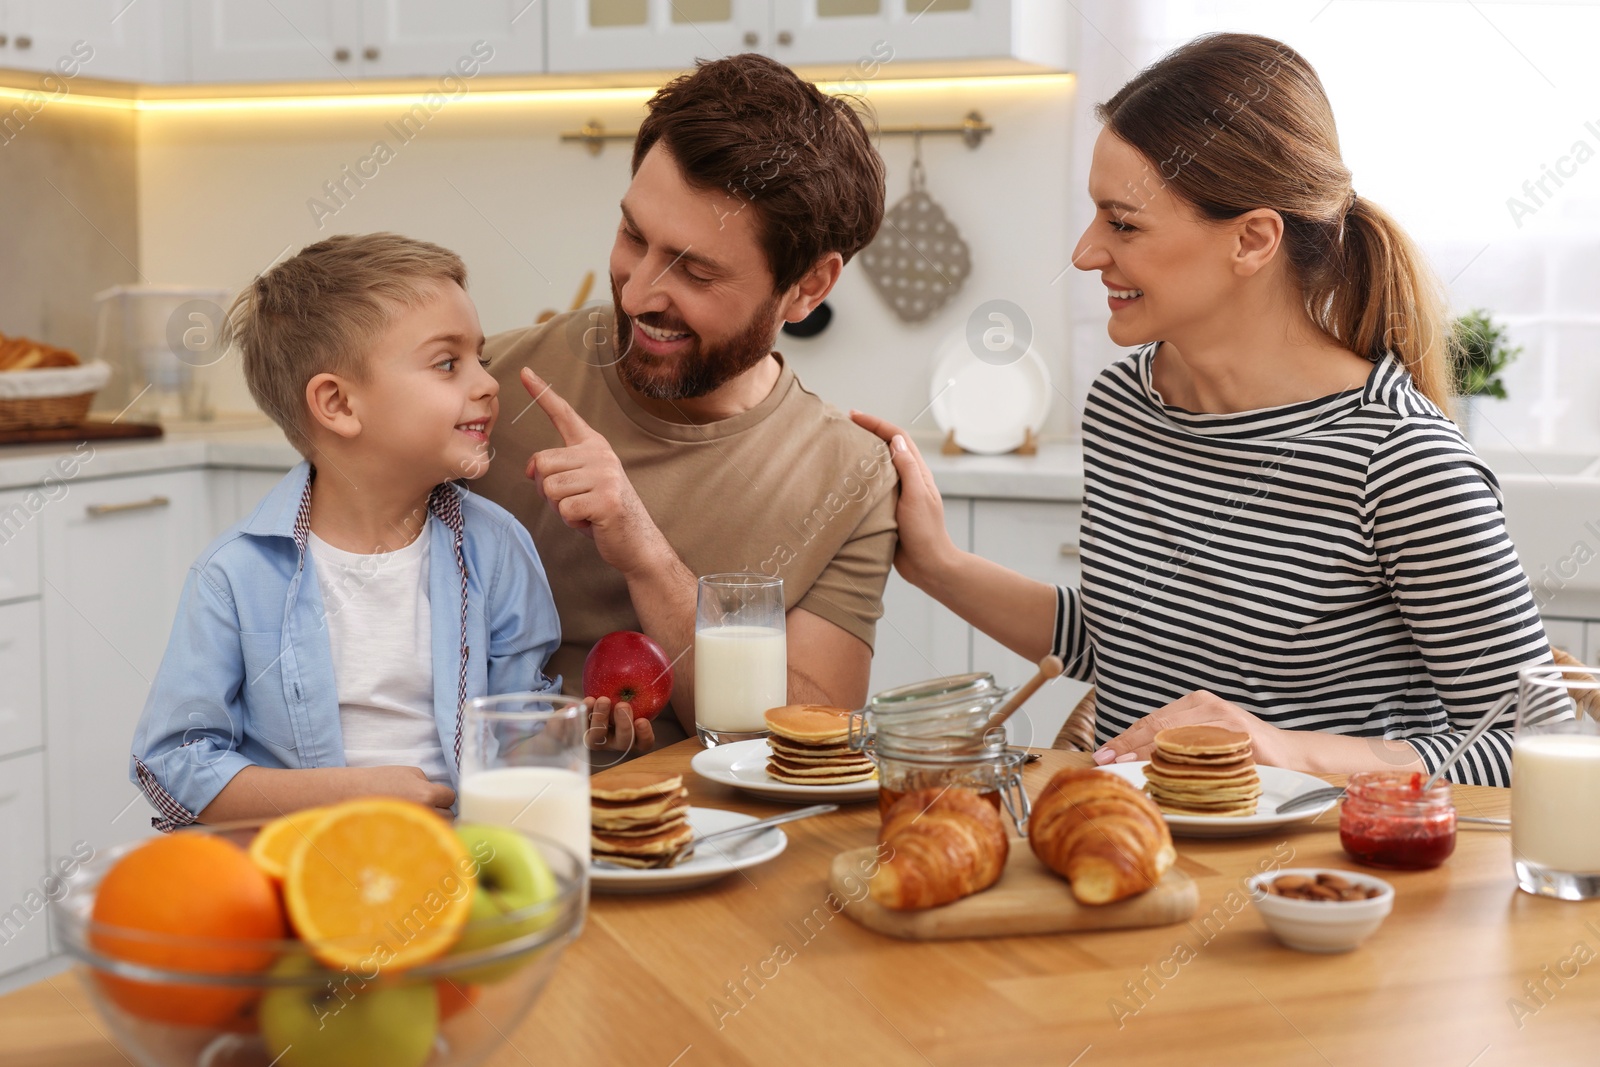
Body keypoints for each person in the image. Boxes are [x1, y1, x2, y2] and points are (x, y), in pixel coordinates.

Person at [853, 32, 1550, 787]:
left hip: (1316, 887)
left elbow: (1533, 742)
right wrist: (937, 564)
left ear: (1252, 240)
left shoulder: (1401, 460)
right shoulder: (1123, 405)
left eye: (1122, 223)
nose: (1087, 252)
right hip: (1137, 861)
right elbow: (1133, 639)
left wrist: (1278, 746)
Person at [476, 53, 897, 756]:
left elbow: (805, 741)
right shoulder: (490, 382)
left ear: (807, 288)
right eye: (634, 236)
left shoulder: (848, 478)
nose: (638, 293)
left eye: (696, 271)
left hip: (733, 849)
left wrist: (645, 556)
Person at [130, 233, 562, 829]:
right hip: (307, 875)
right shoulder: (234, 576)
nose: (488, 383)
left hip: (466, 862)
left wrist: (576, 738)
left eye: (480, 358)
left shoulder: (499, 548)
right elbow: (170, 767)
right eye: (447, 363)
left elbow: (524, 732)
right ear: (337, 404)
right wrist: (346, 794)